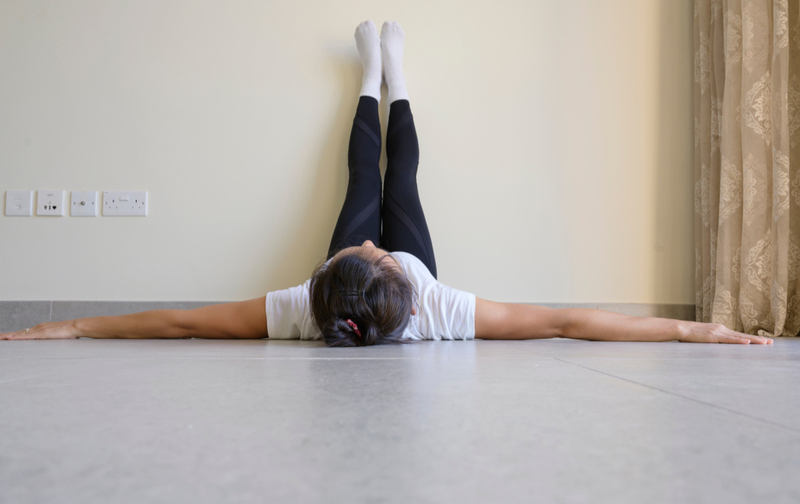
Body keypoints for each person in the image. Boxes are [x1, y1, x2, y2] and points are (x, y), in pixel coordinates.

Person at [0, 21, 773, 346]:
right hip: (405, 286)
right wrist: (699, 330)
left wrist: (69, 327)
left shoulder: (301, 306)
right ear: (396, 274)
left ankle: (370, 76)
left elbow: (177, 325)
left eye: (361, 249)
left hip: (352, 290)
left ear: (333, 273)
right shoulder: (437, 303)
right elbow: (573, 322)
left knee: (354, 180)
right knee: (400, 177)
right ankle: (394, 77)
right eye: (376, 251)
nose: (373, 239)